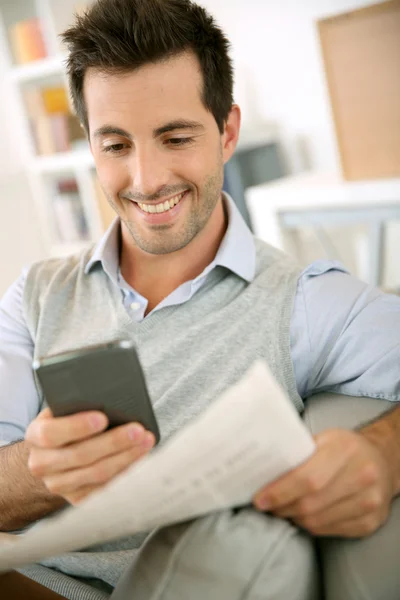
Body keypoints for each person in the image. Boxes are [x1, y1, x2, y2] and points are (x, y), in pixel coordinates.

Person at [0, 0, 399, 598]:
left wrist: (384, 454)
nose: (147, 178)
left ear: (227, 132)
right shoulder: (34, 295)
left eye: (175, 136)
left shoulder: (307, 303)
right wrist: (39, 472)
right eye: (115, 146)